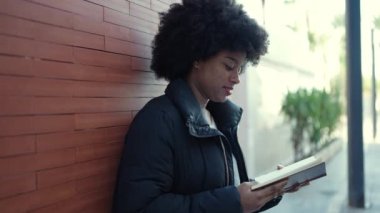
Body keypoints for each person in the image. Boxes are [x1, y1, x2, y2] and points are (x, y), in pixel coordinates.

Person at [112, 0, 298, 212]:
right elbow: (139, 208)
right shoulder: (157, 121)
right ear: (198, 57)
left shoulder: (220, 119)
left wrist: (270, 190)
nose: (236, 78)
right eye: (229, 66)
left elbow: (223, 194)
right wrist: (234, 202)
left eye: (240, 68)